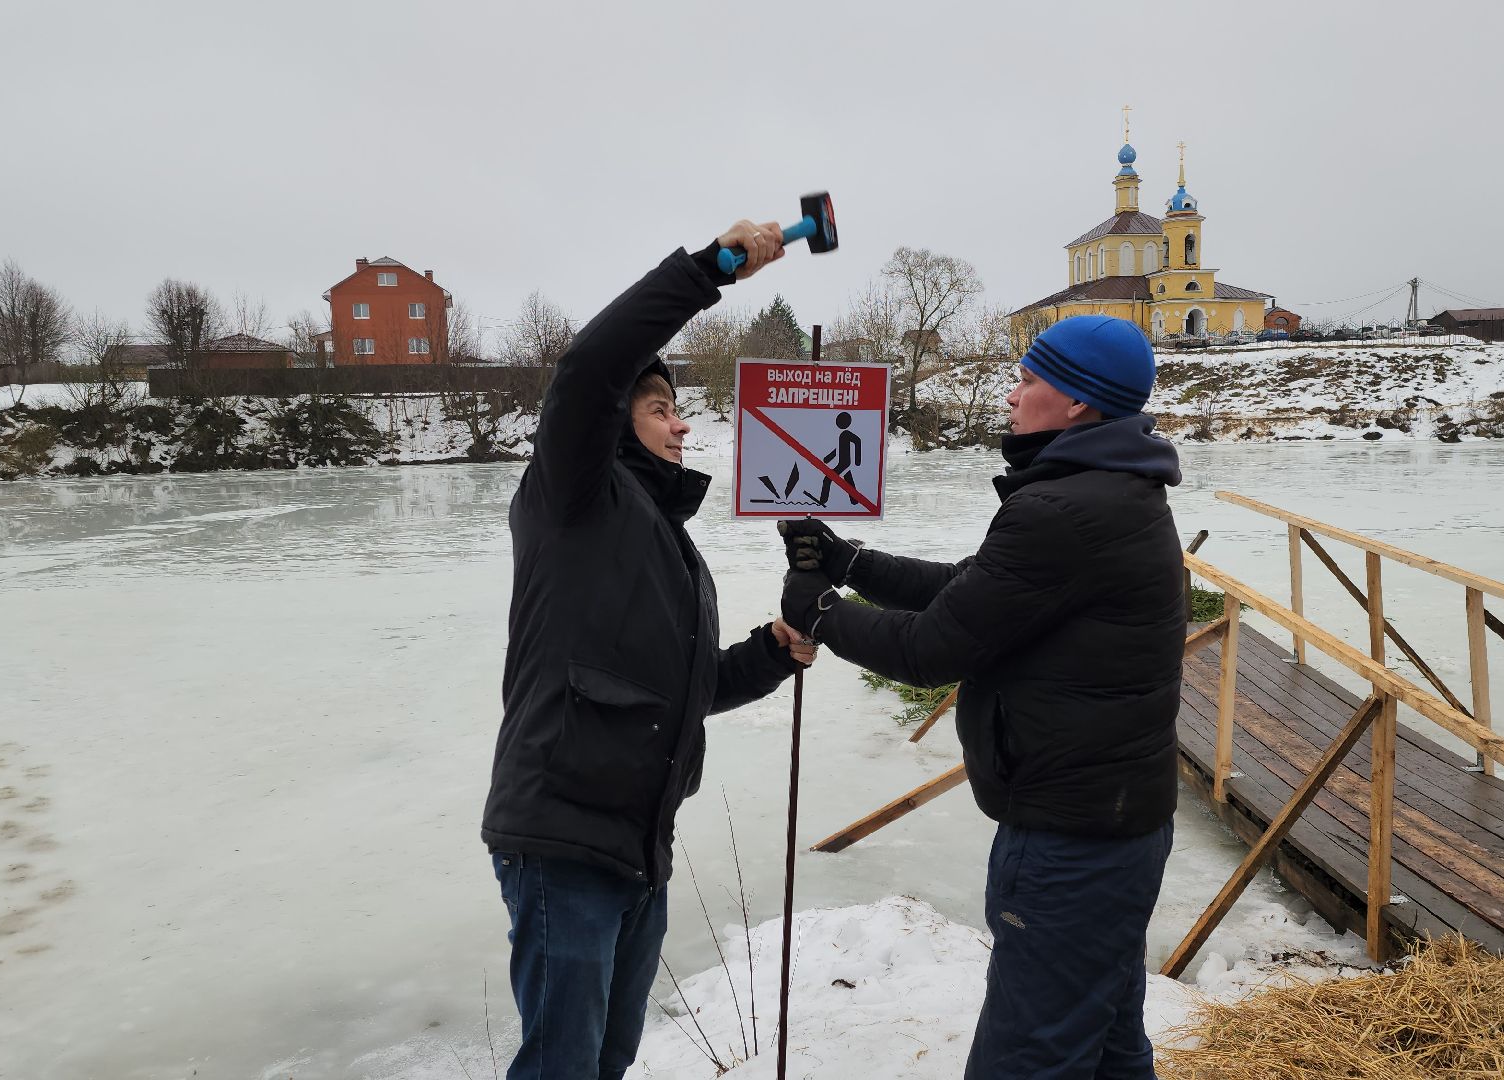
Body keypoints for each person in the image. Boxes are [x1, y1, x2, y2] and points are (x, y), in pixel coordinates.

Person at [779, 314, 1186, 1079]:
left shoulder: (1061, 509)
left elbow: (933, 647)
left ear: (1076, 405)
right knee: (1105, 1043)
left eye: (1029, 379)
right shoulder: (1111, 491)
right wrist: (849, 560)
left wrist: (818, 613)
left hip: (1070, 843)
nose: (1011, 393)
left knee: (1026, 1059)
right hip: (1116, 824)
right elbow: (971, 588)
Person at [483, 220, 817, 1080]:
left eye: (681, 410)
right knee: (562, 1066)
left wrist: (772, 655)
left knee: (606, 1061)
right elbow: (590, 368)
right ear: (617, 422)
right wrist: (709, 271)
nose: (681, 427)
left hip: (637, 847)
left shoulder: (669, 541)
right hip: (564, 839)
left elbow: (682, 688)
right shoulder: (574, 496)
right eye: (661, 408)